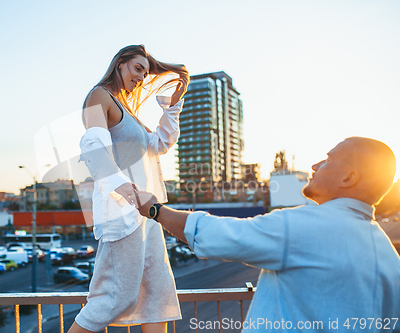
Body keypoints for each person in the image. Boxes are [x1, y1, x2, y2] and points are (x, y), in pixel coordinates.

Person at [134, 137, 400, 332]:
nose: (316, 165)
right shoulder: (389, 258)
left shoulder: (303, 226)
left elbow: (214, 235)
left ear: (349, 177)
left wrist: (156, 210)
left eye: (328, 160)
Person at [68, 45, 189, 333]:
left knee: (156, 296)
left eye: (146, 73)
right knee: (114, 298)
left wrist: (173, 103)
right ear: (120, 63)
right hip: (123, 213)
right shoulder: (100, 95)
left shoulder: (129, 111)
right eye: (137, 68)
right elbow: (94, 147)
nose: (141, 78)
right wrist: (126, 191)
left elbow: (160, 143)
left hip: (147, 215)